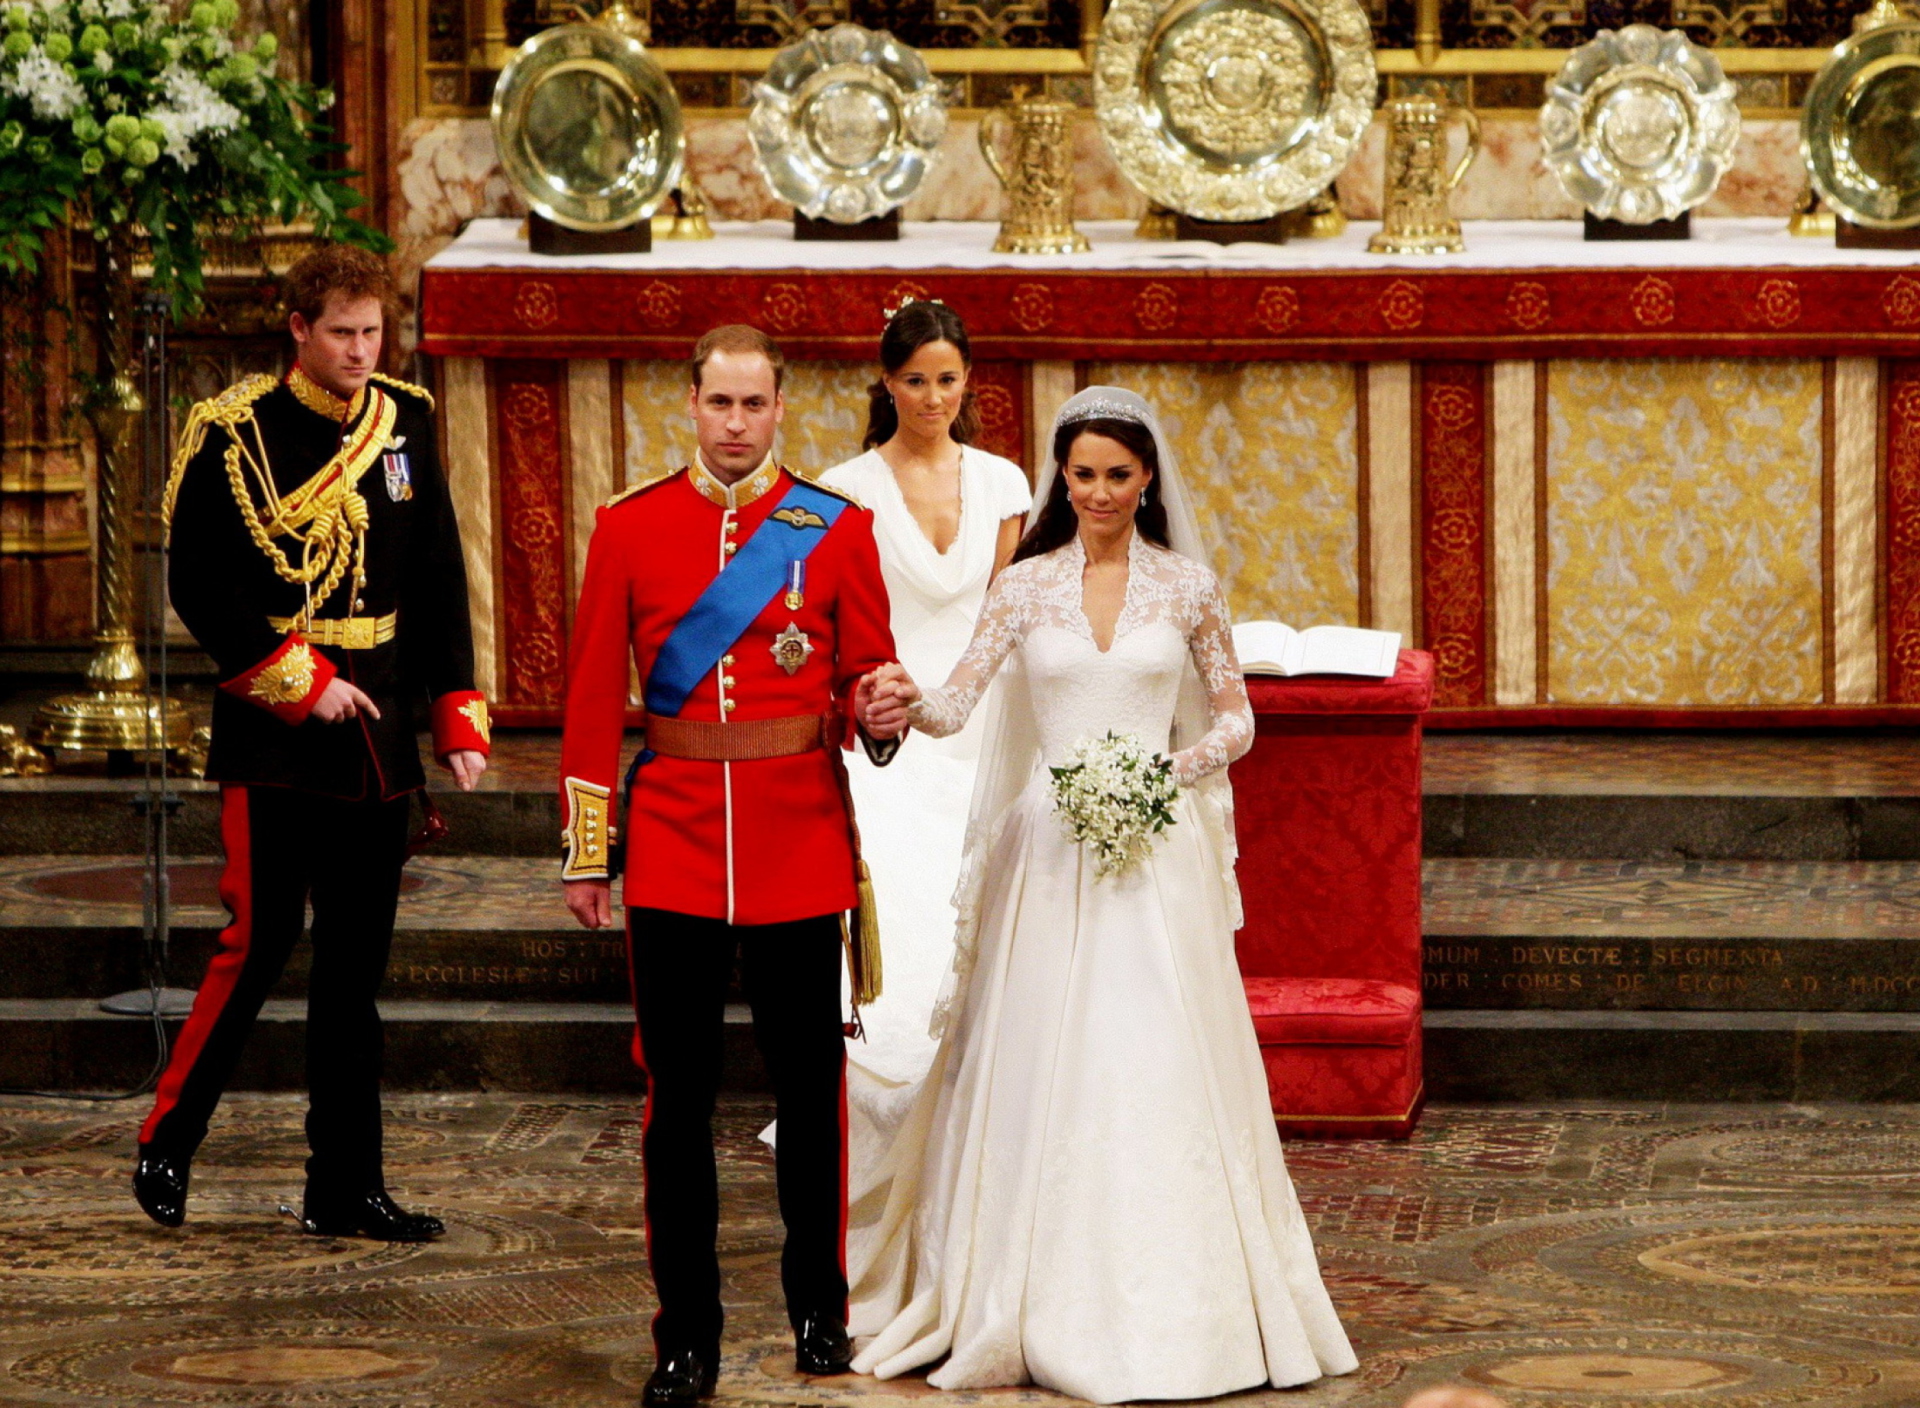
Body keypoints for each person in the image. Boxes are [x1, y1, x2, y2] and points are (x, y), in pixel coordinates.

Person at [850, 387, 1358, 1403]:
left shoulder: (1189, 588)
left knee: (1156, 1057)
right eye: (1081, 475)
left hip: (1152, 854)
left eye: (1117, 475)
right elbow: (958, 703)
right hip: (1047, 853)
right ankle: (1022, 1289)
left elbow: (1238, 720)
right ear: (1060, 477)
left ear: (1147, 480)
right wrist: (904, 697)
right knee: (1045, 1057)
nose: (1098, 492)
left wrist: (1165, 771)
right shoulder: (1026, 586)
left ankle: (1193, 1300)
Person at [558, 324, 906, 1407]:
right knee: (679, 1105)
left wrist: (881, 714)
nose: (737, 424)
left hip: (798, 838)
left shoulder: (836, 528)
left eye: (756, 405)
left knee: (810, 1094)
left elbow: (864, 683)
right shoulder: (628, 527)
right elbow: (583, 704)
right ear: (692, 403)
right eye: (721, 404)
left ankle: (818, 1307)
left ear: (782, 408)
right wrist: (587, 851)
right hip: (670, 847)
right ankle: (687, 1336)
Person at [133, 244, 492, 1241]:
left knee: (353, 976)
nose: (361, 351)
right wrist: (300, 684)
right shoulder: (234, 433)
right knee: (258, 945)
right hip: (276, 734)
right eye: (343, 332)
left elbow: (436, 572)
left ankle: (347, 1182)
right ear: (298, 329)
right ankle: (168, 1138)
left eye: (374, 332)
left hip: (376, 732)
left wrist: (454, 708)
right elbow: (199, 585)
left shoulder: (404, 419)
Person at [814, 300, 1030, 1176]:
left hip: (985, 703)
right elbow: (834, 615)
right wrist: (876, 701)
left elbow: (1008, 610)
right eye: (914, 381)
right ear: (886, 383)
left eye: (947, 379)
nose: (933, 397)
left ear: (968, 380)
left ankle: (996, 1079)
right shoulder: (844, 487)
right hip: (888, 713)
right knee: (901, 865)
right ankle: (889, 1083)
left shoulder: (1006, 482)